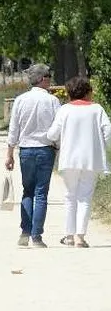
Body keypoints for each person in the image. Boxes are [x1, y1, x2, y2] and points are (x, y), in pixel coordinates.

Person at [46, 76, 111, 248]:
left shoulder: (64, 110)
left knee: (70, 196)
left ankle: (68, 235)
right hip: (91, 159)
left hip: (69, 159)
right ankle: (80, 237)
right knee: (85, 197)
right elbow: (108, 132)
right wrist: (100, 145)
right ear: (88, 92)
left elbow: (52, 135)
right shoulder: (97, 109)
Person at [5, 64, 61, 247]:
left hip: (26, 150)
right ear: (42, 79)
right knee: (41, 194)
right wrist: (58, 147)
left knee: (27, 191)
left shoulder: (21, 100)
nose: (50, 80)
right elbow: (58, 128)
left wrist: (9, 154)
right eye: (49, 76)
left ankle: (25, 232)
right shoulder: (53, 101)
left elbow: (14, 129)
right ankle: (37, 236)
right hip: (46, 149)